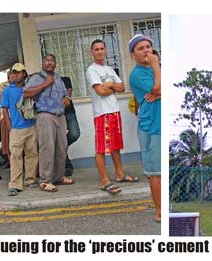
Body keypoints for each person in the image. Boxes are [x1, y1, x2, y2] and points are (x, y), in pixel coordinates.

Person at [87, 39, 139, 195]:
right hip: (102, 113)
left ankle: (120, 174)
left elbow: (122, 87)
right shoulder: (92, 70)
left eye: (102, 48)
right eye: (96, 49)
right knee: (102, 147)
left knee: (115, 145)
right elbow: (100, 92)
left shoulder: (109, 69)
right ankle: (104, 180)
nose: (100, 51)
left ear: (106, 51)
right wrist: (111, 87)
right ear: (92, 52)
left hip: (114, 111)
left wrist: (108, 85)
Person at [24, 54, 74, 192]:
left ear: (55, 64)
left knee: (61, 148)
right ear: (42, 63)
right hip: (45, 115)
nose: (49, 63)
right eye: (47, 61)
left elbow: (65, 94)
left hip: (60, 116)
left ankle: (58, 177)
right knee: (47, 148)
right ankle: (45, 180)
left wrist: (66, 99)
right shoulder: (36, 78)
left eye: (52, 61)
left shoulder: (58, 78)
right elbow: (26, 93)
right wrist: (45, 84)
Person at [128, 34, 161, 222]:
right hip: (151, 127)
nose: (147, 50)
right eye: (141, 48)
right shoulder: (137, 74)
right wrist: (156, 65)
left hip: (161, 123)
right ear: (133, 54)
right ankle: (159, 211)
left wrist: (159, 92)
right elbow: (156, 89)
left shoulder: (158, 70)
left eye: (148, 46)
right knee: (156, 172)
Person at [0, 63, 39, 196]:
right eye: (13, 72)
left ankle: (30, 179)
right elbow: (4, 108)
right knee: (15, 156)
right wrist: (9, 125)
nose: (15, 74)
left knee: (32, 154)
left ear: (24, 73)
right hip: (16, 128)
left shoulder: (29, 87)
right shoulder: (7, 90)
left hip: (31, 125)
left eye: (18, 72)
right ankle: (15, 184)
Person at [61, 76, 80, 177]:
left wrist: (67, 98)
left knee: (75, 133)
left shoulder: (65, 79)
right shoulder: (44, 82)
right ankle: (67, 166)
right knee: (60, 140)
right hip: (56, 114)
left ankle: (60, 148)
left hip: (69, 112)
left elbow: (69, 93)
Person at [0, 72, 13, 169]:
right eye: (13, 74)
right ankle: (13, 167)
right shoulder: (3, 86)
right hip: (6, 118)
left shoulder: (22, 85)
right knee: (8, 145)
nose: (15, 76)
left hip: (20, 118)